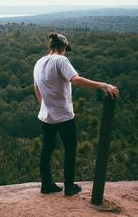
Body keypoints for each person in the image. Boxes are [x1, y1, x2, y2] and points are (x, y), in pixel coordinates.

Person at [33, 32, 119, 196]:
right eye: (66, 49)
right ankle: (69, 187)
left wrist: (45, 105)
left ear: (50, 46)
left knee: (47, 150)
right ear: (63, 47)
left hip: (46, 116)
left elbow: (36, 89)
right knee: (70, 149)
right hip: (64, 116)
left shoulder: (38, 62)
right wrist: (103, 85)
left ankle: (46, 185)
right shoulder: (61, 60)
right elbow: (76, 79)